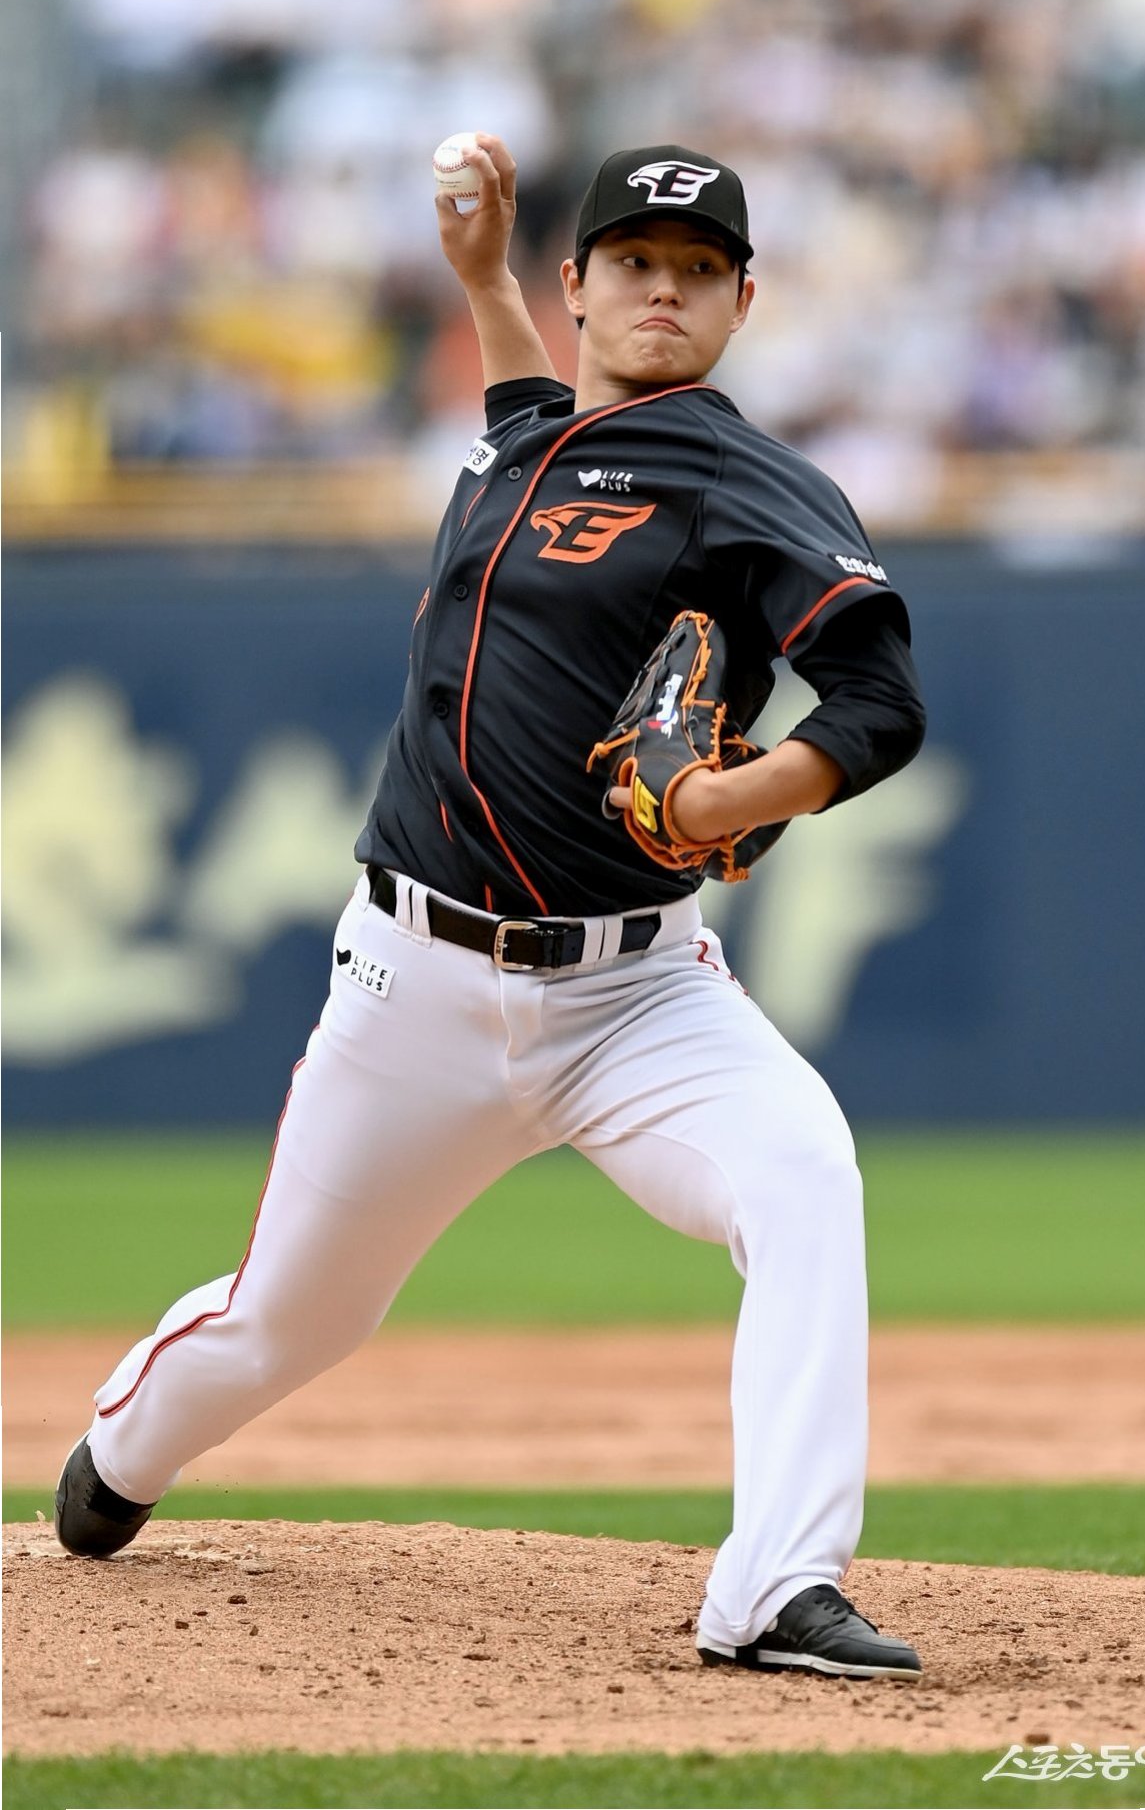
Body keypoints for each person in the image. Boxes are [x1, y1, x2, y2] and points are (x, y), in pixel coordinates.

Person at [57, 137, 926, 1680]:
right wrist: (479, 282)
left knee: (806, 1176)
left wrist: (729, 803)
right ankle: (122, 1455)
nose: (666, 292)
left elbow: (881, 701)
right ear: (577, 283)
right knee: (292, 1323)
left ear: (743, 305)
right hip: (417, 987)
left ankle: (777, 1588)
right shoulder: (521, 444)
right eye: (635, 263)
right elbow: (539, 414)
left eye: (701, 272)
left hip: (638, 995)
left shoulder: (752, 483)